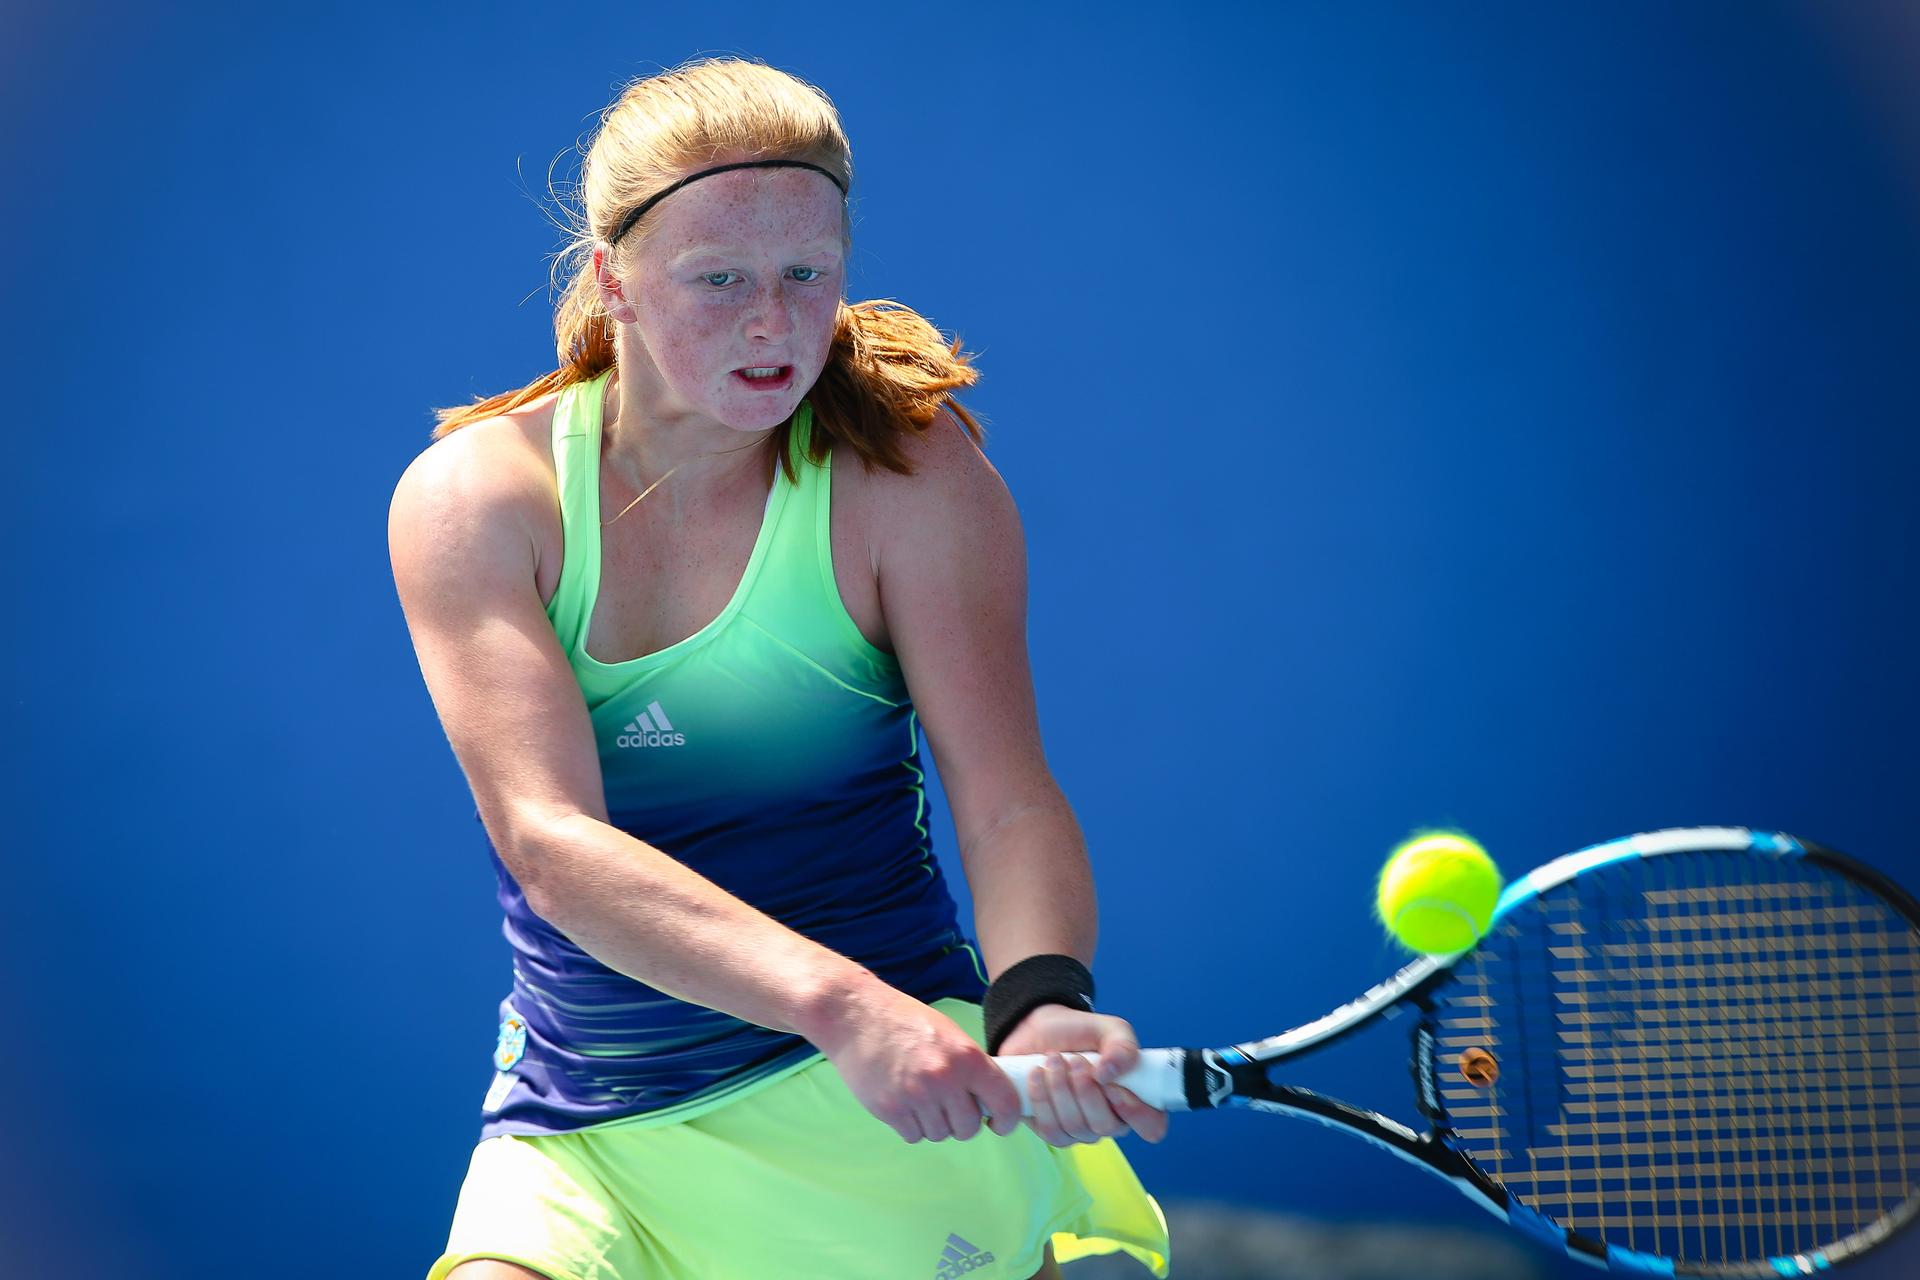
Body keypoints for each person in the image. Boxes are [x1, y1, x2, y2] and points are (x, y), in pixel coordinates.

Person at [388, 55, 1172, 1280]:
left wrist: (1039, 996)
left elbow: (1006, 793)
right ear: (617, 280)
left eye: (808, 273)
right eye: (721, 280)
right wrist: (839, 1000)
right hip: (591, 1128)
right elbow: (551, 842)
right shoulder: (483, 499)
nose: (773, 323)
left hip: (894, 1101)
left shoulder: (911, 481)